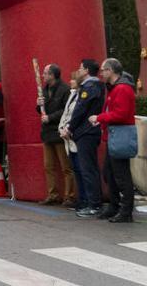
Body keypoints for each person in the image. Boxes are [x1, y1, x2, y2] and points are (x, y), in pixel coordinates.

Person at [89, 58, 136, 223]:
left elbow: (121, 114)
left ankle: (126, 211)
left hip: (120, 135)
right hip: (114, 135)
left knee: (121, 176)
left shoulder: (122, 89)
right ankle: (115, 206)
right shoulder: (115, 88)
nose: (101, 74)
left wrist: (99, 117)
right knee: (110, 173)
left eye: (103, 70)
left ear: (111, 71)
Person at [67, 59, 105, 217]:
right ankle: (94, 202)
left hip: (86, 132)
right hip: (87, 131)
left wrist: (70, 127)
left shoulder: (90, 87)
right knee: (90, 169)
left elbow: (80, 109)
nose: (78, 71)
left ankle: (94, 204)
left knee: (88, 169)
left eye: (80, 68)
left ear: (87, 70)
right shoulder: (93, 86)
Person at [35, 64, 75, 206]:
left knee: (66, 166)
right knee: (48, 166)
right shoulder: (44, 90)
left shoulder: (65, 90)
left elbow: (67, 110)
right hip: (47, 133)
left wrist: (50, 117)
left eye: (46, 73)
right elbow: (41, 110)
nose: (43, 76)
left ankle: (70, 196)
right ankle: (53, 194)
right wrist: (38, 104)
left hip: (59, 132)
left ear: (53, 75)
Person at [58, 73, 86, 211]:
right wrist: (61, 128)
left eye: (73, 79)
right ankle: (81, 199)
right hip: (67, 135)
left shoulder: (81, 96)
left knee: (81, 169)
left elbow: (75, 114)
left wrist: (68, 129)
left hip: (74, 136)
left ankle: (85, 199)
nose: (70, 81)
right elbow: (66, 113)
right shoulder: (72, 94)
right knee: (76, 169)